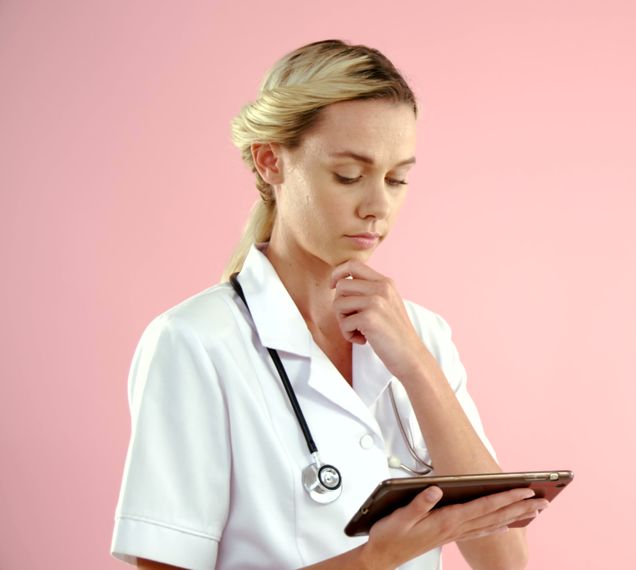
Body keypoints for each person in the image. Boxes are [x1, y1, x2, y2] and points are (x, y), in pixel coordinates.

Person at [109, 39, 546, 570]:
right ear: (271, 161)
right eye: (348, 175)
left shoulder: (423, 336)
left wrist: (414, 365)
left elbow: (504, 561)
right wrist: (374, 559)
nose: (377, 206)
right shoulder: (195, 342)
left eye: (397, 178)